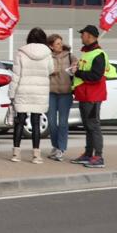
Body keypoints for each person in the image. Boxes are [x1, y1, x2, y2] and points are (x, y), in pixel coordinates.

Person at [69, 25, 115, 169]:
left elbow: (95, 76)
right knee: (88, 126)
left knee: (93, 126)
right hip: (84, 95)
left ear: (89, 36)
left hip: (93, 96)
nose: (81, 37)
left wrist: (78, 73)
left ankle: (98, 156)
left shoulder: (98, 54)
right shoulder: (87, 53)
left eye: (83, 34)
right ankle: (88, 154)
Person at [9, 28, 54, 164]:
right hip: (39, 91)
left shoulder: (21, 52)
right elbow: (51, 70)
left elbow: (16, 75)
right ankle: (36, 155)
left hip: (23, 89)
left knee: (20, 122)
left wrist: (11, 94)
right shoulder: (47, 53)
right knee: (36, 122)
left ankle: (16, 154)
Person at [46, 33, 75, 161]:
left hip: (66, 93)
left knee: (63, 122)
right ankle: (55, 146)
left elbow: (77, 66)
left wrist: (75, 68)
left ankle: (61, 148)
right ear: (51, 46)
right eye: (57, 43)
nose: (60, 45)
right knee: (51, 122)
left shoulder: (69, 55)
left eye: (61, 42)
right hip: (50, 92)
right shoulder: (46, 57)